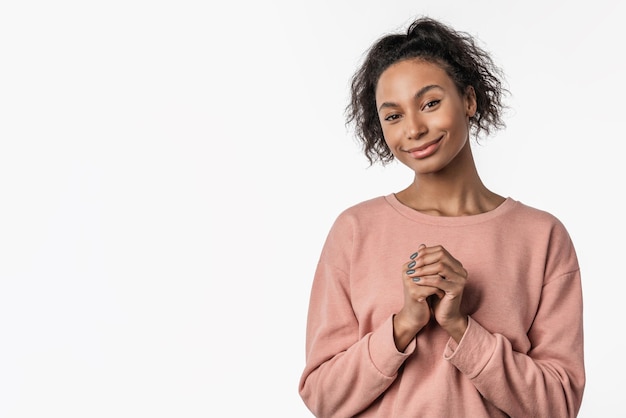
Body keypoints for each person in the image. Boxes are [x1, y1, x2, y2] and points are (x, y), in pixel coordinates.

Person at [298, 16, 585, 418]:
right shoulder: (354, 231)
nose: (414, 128)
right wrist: (403, 324)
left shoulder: (542, 237)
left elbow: (558, 405)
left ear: (468, 100)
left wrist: (461, 327)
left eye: (430, 103)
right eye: (393, 116)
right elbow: (323, 397)